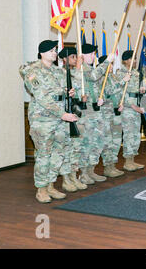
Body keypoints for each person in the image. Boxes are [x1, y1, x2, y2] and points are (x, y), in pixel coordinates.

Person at [19, 40, 79, 203]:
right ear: (42, 53)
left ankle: (51, 185)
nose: (55, 52)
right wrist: (63, 114)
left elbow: (58, 92)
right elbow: (43, 97)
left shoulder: (58, 71)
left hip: (59, 119)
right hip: (42, 120)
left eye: (55, 50)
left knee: (58, 153)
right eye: (52, 50)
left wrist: (68, 92)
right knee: (44, 155)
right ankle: (42, 189)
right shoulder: (33, 71)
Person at [73, 44, 114, 184]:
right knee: (87, 143)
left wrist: (99, 99)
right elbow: (94, 76)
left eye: (94, 54)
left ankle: (91, 170)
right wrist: (107, 61)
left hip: (96, 111)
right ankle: (83, 173)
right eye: (91, 54)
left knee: (97, 142)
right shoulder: (81, 69)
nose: (93, 56)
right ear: (82, 56)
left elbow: (94, 88)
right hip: (86, 113)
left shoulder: (90, 68)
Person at [58, 47, 88, 192]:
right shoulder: (60, 73)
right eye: (72, 57)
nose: (75, 59)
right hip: (65, 116)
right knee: (66, 148)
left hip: (76, 113)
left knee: (76, 148)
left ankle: (73, 176)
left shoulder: (76, 74)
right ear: (64, 59)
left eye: (76, 57)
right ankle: (65, 179)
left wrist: (82, 100)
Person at [114, 50, 146, 172]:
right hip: (128, 108)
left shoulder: (136, 73)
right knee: (128, 135)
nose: (135, 61)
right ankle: (127, 162)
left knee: (135, 135)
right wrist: (132, 106)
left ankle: (132, 160)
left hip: (136, 106)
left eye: (136, 58)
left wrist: (140, 89)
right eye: (132, 59)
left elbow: (134, 90)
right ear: (125, 60)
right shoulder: (121, 73)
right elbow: (119, 93)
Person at [97, 55, 125, 178]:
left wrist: (120, 103)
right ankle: (108, 167)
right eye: (109, 64)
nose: (111, 67)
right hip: (105, 114)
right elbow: (108, 91)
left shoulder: (112, 77)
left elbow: (117, 93)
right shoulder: (101, 78)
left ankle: (113, 165)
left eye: (112, 64)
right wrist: (123, 81)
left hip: (115, 112)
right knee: (107, 142)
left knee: (116, 141)